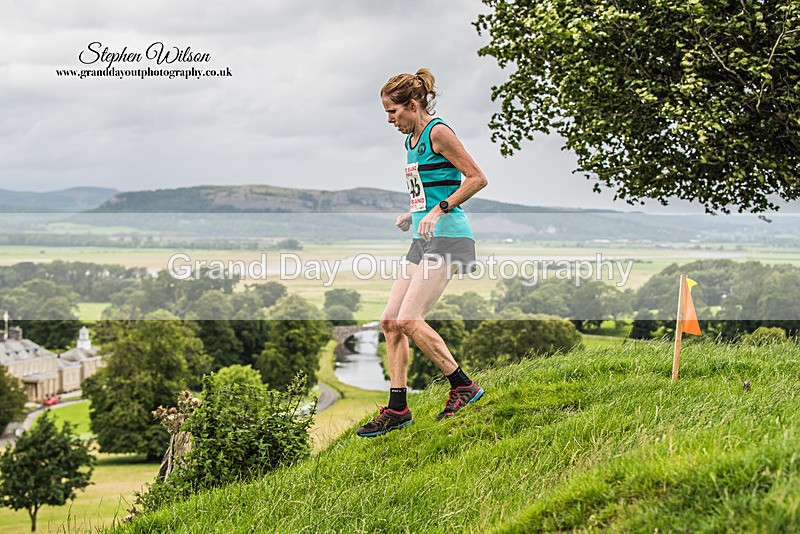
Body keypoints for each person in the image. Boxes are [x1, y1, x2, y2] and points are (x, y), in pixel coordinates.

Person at [357, 68, 488, 438]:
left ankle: (463, 386)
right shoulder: (410, 140)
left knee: (410, 320)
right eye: (386, 113)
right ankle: (398, 408)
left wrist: (438, 209)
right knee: (389, 322)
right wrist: (413, 213)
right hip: (423, 237)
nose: (389, 120)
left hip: (450, 237)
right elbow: (428, 186)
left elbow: (477, 177)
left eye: (393, 112)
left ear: (412, 104)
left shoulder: (438, 132)